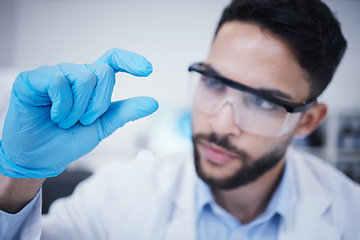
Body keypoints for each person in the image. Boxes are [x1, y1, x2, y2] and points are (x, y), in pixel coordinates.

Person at [1, 0, 359, 239]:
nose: (220, 125)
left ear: (309, 119)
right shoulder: (117, 195)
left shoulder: (349, 215)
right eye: (215, 83)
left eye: (263, 102)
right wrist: (16, 182)